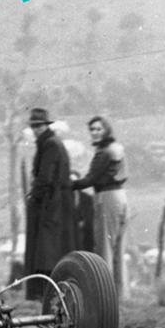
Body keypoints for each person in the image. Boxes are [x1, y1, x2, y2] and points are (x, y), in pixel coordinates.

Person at [72, 115, 129, 300]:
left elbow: (90, 179)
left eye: (98, 129)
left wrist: (69, 183)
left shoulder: (104, 152)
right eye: (92, 129)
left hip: (107, 197)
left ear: (106, 130)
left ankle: (105, 296)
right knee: (119, 247)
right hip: (121, 196)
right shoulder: (117, 148)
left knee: (105, 246)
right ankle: (120, 294)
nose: (95, 133)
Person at [23, 107, 75, 300]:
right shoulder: (49, 143)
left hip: (51, 203)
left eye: (39, 125)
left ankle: (47, 291)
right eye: (34, 126)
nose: (36, 129)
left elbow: (44, 177)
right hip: (53, 201)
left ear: (46, 125)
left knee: (47, 248)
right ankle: (48, 290)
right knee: (48, 247)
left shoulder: (50, 145)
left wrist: (33, 197)